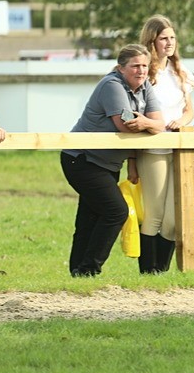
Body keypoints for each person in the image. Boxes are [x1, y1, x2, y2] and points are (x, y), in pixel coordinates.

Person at [61, 45, 164, 276]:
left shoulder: (145, 86)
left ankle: (78, 273)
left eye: (144, 65)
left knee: (90, 217)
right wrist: (147, 123)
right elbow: (125, 123)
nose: (141, 71)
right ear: (120, 68)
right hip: (82, 159)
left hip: (108, 164)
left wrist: (145, 122)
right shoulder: (112, 85)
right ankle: (90, 269)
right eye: (135, 66)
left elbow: (160, 123)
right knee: (116, 212)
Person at [127, 15, 194, 274]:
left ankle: (161, 272)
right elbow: (135, 117)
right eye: (163, 38)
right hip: (152, 148)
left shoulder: (180, 72)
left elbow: (189, 110)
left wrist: (181, 121)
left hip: (179, 149)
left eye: (172, 37)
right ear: (152, 41)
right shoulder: (145, 74)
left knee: (173, 219)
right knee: (154, 214)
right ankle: (148, 273)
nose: (169, 42)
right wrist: (132, 161)